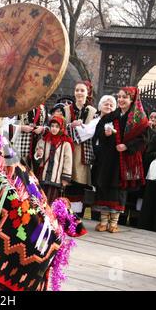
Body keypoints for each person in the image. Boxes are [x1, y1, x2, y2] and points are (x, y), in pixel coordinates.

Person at [92, 87, 149, 233]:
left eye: (125, 97)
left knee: (118, 190)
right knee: (104, 187)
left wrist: (127, 146)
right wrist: (105, 133)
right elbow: (98, 134)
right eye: (120, 97)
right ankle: (103, 222)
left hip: (124, 161)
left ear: (132, 100)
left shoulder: (139, 120)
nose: (121, 100)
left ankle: (114, 223)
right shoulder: (110, 117)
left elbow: (143, 140)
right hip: (108, 160)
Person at [63, 81, 97, 215]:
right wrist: (71, 126)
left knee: (80, 181)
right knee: (67, 180)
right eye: (77, 90)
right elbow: (59, 127)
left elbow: (95, 131)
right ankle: (65, 211)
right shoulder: (66, 110)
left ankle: (78, 213)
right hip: (69, 149)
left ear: (87, 93)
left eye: (82, 90)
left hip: (84, 151)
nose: (79, 93)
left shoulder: (93, 111)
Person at [34, 115, 73, 203]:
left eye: (57, 127)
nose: (54, 129)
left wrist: (65, 178)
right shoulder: (43, 141)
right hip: (43, 177)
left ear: (61, 128)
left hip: (56, 178)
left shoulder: (66, 144)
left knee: (52, 202)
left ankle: (50, 216)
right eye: (52, 126)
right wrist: (38, 154)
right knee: (40, 200)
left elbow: (68, 162)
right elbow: (37, 159)